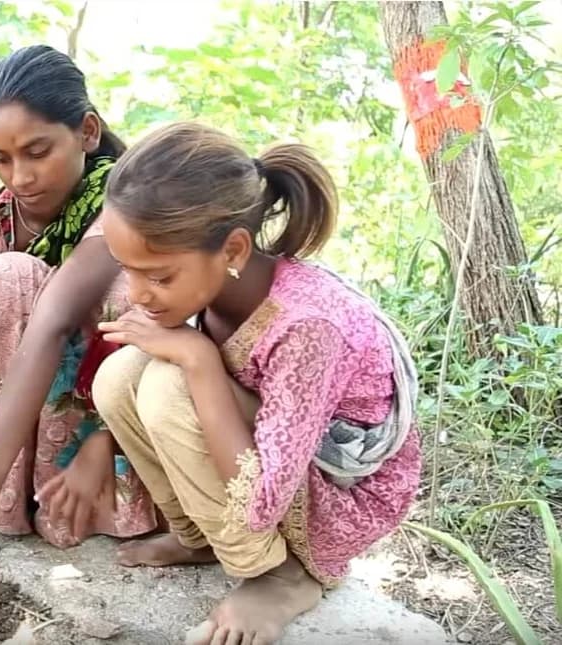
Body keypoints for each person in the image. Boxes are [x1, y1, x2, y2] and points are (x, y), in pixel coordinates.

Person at [89, 122, 421, 645]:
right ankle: (199, 538)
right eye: (129, 271)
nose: (139, 295)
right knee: (121, 376)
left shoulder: (306, 327)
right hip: (274, 458)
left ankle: (279, 575)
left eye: (158, 276)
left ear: (234, 251)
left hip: (337, 499)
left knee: (167, 388)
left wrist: (199, 358)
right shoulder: (211, 288)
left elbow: (266, 495)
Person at [0, 45, 158, 570]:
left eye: (37, 152)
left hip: (109, 439)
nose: (19, 177)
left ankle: (59, 489)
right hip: (2, 452)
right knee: (6, 275)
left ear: (87, 132)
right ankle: (4, 499)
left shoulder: (123, 212)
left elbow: (56, 319)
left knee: (47, 281)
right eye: (1, 157)